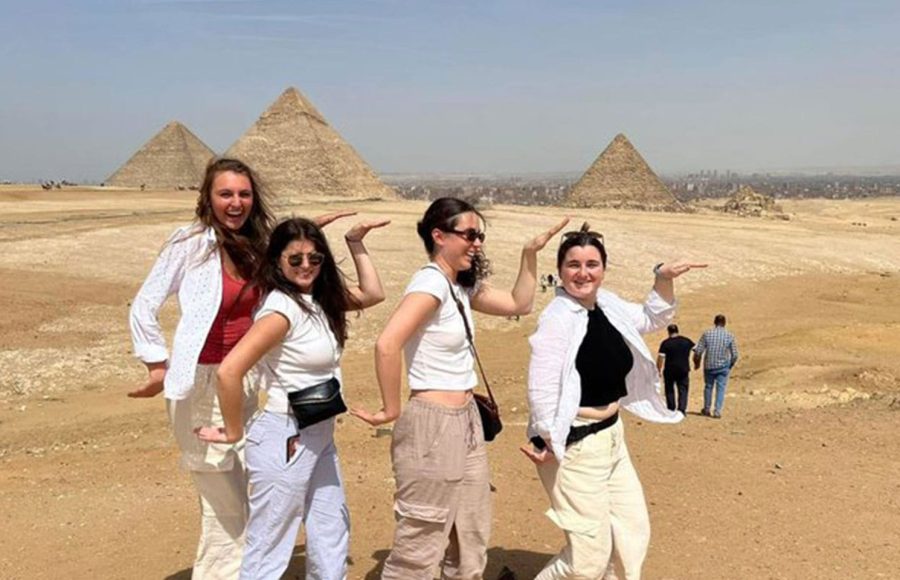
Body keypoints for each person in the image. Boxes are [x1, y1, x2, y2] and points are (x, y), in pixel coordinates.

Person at [128, 157, 352, 579]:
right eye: (225, 194)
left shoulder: (255, 246)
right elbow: (144, 304)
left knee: (261, 486)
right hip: (200, 383)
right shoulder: (189, 244)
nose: (236, 203)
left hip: (243, 384)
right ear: (207, 198)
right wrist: (156, 363)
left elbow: (290, 258)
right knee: (224, 501)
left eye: (244, 194)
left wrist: (309, 232)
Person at [352, 197, 567, 579]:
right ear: (439, 236)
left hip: (465, 419)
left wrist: (529, 254)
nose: (477, 243)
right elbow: (387, 343)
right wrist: (390, 408)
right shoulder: (431, 283)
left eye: (480, 236)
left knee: (470, 535)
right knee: (421, 543)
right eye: (470, 235)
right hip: (433, 424)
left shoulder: (459, 286)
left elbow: (519, 303)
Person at [196, 216, 388, 579]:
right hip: (286, 437)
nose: (306, 266)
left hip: (320, 435)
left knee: (331, 531)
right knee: (270, 545)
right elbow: (229, 371)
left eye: (315, 258)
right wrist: (233, 430)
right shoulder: (281, 310)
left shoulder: (317, 301)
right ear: (277, 261)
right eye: (295, 258)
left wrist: (354, 242)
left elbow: (373, 293)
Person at [521, 223, 705, 580]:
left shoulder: (607, 304)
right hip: (575, 444)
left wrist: (663, 277)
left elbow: (652, 317)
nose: (583, 273)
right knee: (587, 560)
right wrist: (546, 439)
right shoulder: (557, 319)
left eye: (592, 264)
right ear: (559, 270)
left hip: (612, 437)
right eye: (573, 264)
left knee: (629, 538)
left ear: (604, 269)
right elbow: (541, 387)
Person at [693, 314, 739, 419]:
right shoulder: (729, 335)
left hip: (709, 366)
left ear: (714, 322)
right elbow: (735, 354)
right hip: (723, 366)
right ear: (724, 323)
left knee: (708, 387)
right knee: (721, 388)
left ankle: (706, 409)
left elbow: (698, 351)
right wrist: (730, 365)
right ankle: (717, 411)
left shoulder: (707, 334)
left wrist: (697, 363)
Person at [656, 323, 695, 414]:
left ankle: (671, 409)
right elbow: (697, 350)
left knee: (669, 389)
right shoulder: (686, 341)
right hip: (683, 369)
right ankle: (682, 409)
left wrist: (659, 369)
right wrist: (696, 362)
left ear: (668, 332)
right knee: (683, 389)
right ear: (677, 331)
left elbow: (660, 358)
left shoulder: (666, 343)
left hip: (670, 370)